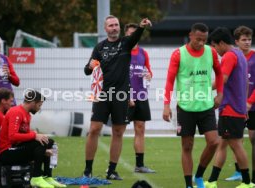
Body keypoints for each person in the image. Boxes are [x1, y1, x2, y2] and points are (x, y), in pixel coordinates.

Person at [83, 15, 152, 180]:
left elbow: (135, 36)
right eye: (110, 25)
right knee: (94, 129)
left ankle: (111, 171)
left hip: (121, 95)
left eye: (116, 25)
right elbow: (87, 70)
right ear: (105, 29)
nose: (114, 27)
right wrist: (89, 66)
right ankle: (87, 170)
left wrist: (142, 26)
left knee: (118, 132)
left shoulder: (125, 43)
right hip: (103, 94)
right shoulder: (99, 47)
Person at [163, 23, 223, 188]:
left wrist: (220, 94)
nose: (201, 43)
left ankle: (199, 175)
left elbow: (219, 73)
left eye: (204, 40)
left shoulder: (211, 52)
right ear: (190, 36)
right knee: (187, 146)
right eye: (198, 39)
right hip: (185, 108)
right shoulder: (178, 54)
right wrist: (166, 105)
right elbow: (169, 81)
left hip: (206, 106)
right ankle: (188, 184)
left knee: (214, 142)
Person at [204, 27, 252, 188]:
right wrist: (244, 107)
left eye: (215, 46)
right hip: (236, 108)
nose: (215, 50)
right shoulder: (240, 55)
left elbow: (221, 80)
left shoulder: (229, 56)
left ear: (222, 43)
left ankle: (247, 182)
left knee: (236, 145)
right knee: (222, 143)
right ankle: (212, 181)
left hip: (230, 109)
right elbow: (245, 83)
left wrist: (200, 88)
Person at [0, 89, 66, 188]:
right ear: (33, 103)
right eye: (39, 105)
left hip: (17, 148)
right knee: (40, 143)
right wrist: (35, 136)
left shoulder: (27, 114)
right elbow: (12, 137)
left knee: (48, 141)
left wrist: (38, 137)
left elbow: (24, 136)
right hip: (7, 152)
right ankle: (36, 177)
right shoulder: (16, 112)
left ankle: (47, 177)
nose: (39, 109)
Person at [225, 26, 255, 182]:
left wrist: (249, 102)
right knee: (236, 140)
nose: (247, 42)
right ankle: (239, 172)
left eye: (249, 39)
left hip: (252, 106)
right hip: (236, 106)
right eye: (244, 40)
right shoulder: (233, 57)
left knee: (253, 138)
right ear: (236, 41)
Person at [124, 23, 155, 173]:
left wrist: (149, 75)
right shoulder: (122, 51)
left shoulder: (143, 53)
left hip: (141, 96)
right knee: (118, 130)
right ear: (126, 35)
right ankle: (112, 167)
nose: (133, 36)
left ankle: (140, 165)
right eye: (130, 34)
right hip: (123, 97)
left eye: (135, 33)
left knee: (140, 129)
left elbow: (148, 72)